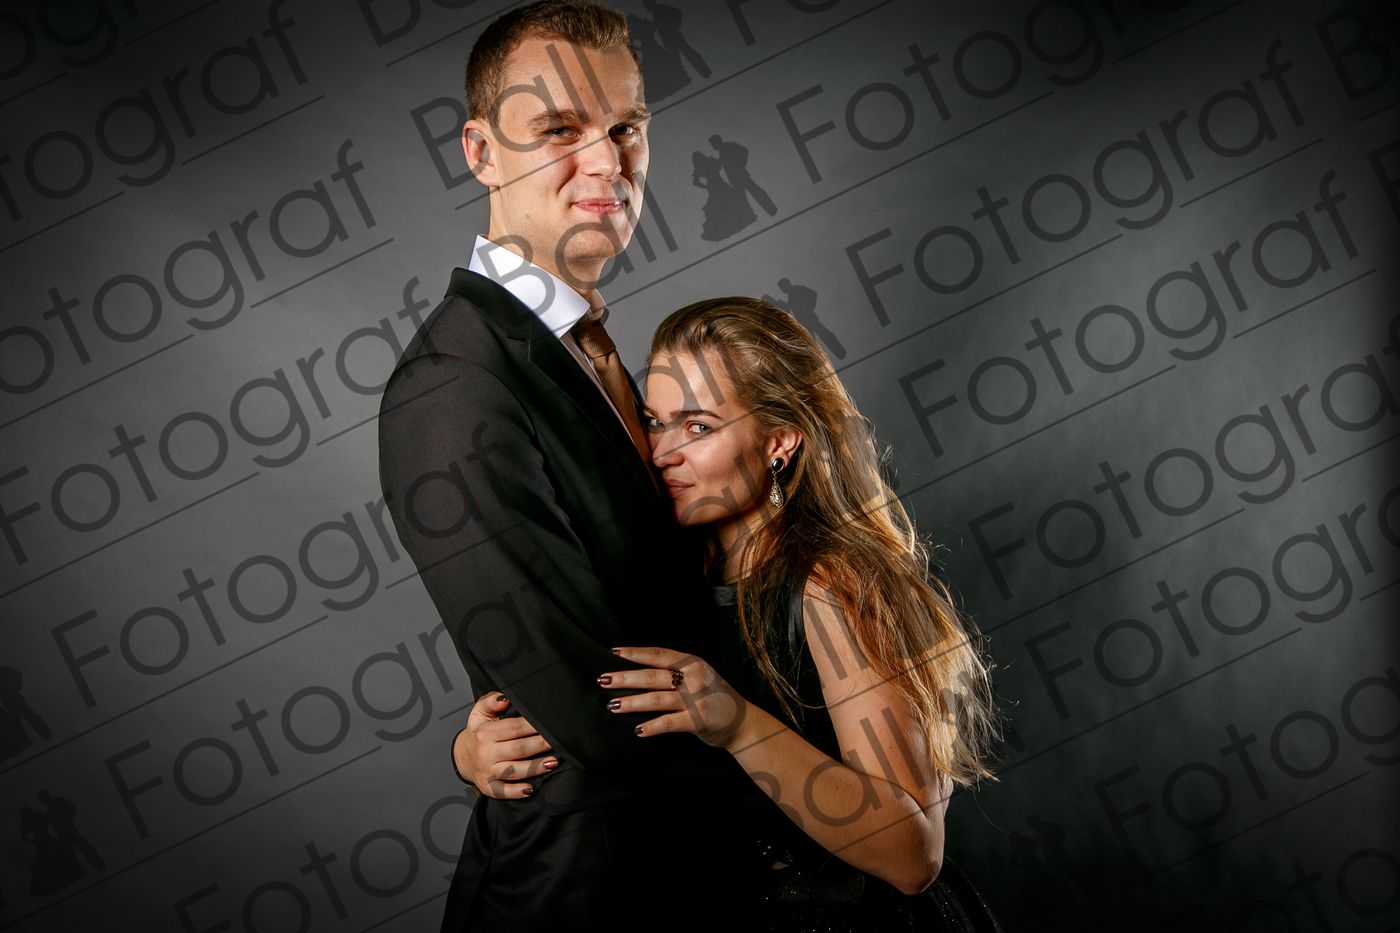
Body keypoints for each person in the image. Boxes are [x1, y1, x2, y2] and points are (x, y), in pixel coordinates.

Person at [377, 3, 759, 931]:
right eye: (558, 129)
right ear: (480, 152)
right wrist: (834, 792)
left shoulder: (587, 349)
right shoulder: (453, 385)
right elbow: (594, 708)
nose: (606, 162)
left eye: (626, 128)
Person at [458, 298, 1004, 929]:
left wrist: (739, 725)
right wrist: (474, 754)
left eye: (698, 428)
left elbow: (913, 856)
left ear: (779, 440)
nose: (663, 453)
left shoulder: (832, 584)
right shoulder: (667, 568)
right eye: (653, 422)